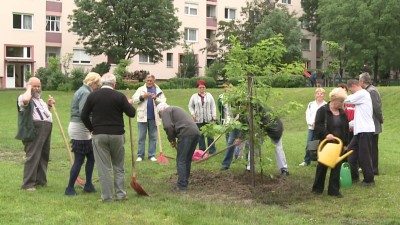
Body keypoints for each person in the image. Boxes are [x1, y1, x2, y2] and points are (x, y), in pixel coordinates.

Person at [81, 73, 136, 202]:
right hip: (117, 134)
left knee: (104, 167)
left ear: (102, 83)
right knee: (118, 166)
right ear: (114, 84)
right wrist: (128, 104)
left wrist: (92, 129)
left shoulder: (93, 95)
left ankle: (107, 197)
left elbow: (83, 115)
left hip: (99, 134)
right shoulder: (119, 96)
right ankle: (121, 195)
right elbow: (132, 113)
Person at [64, 72, 102, 196]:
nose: (98, 87)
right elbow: (84, 113)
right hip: (80, 127)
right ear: (93, 82)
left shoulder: (82, 90)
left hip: (81, 127)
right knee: (79, 160)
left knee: (91, 157)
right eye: (97, 84)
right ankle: (69, 188)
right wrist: (94, 124)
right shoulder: (85, 93)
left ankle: (88, 184)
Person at [16, 77, 54, 191]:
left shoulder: (40, 100)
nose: (37, 88)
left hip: (46, 128)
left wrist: (49, 106)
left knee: (43, 155)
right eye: (34, 86)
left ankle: (40, 181)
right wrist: (28, 89)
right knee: (33, 156)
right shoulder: (23, 97)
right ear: (28, 86)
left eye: (38, 86)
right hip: (34, 129)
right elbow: (26, 101)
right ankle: (28, 184)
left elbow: (42, 114)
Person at [311, 88, 350, 198]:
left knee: (337, 167)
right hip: (326, 144)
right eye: (341, 102)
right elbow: (318, 127)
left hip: (339, 145)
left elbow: (346, 129)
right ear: (334, 100)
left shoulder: (342, 113)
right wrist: (326, 134)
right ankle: (317, 189)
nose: (342, 104)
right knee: (322, 166)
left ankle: (334, 191)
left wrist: (346, 144)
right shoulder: (322, 111)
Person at [156, 103, 200, 192]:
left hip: (185, 133)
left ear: (160, 111)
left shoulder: (165, 111)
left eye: (160, 115)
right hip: (195, 132)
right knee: (187, 160)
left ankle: (181, 186)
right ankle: (184, 182)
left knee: (181, 160)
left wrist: (171, 139)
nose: (161, 117)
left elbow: (168, 126)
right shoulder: (175, 108)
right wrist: (173, 139)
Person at [345, 79, 375, 187]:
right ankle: (354, 177)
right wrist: (349, 125)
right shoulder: (361, 97)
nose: (350, 92)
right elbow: (360, 116)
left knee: (364, 156)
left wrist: (338, 94)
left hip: (365, 131)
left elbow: (347, 100)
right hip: (359, 131)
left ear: (353, 86)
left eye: (350, 90)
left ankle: (369, 180)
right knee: (351, 152)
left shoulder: (362, 93)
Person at [132, 74, 166, 162]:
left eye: (151, 80)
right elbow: (134, 100)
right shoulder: (140, 89)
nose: (149, 82)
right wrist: (143, 97)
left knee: (153, 137)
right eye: (148, 80)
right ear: (145, 81)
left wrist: (156, 99)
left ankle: (152, 155)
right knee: (141, 137)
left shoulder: (159, 91)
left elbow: (164, 102)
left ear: (154, 81)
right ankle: (140, 155)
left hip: (154, 117)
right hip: (142, 117)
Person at [359, 72, 383, 175]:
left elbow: (376, 108)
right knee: (369, 146)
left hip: (373, 124)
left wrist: (381, 119)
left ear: (363, 81)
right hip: (369, 124)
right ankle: (369, 166)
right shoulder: (367, 91)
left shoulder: (371, 91)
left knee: (373, 147)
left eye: (359, 80)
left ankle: (374, 169)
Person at [299, 88, 326, 166]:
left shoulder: (326, 105)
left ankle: (321, 161)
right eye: (318, 93)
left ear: (324, 95)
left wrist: (319, 125)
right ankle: (306, 160)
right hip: (312, 128)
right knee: (309, 143)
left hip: (321, 129)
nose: (319, 95)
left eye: (321, 94)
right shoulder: (311, 104)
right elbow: (308, 115)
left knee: (321, 144)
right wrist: (311, 123)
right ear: (315, 95)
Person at [188, 80, 217, 154]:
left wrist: (214, 115)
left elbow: (213, 106)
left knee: (210, 135)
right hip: (198, 119)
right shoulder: (194, 96)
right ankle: (202, 150)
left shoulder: (209, 95)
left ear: (205, 88)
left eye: (203, 87)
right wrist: (193, 113)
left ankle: (212, 150)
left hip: (208, 118)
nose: (202, 89)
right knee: (200, 135)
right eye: (200, 87)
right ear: (198, 88)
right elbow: (190, 106)